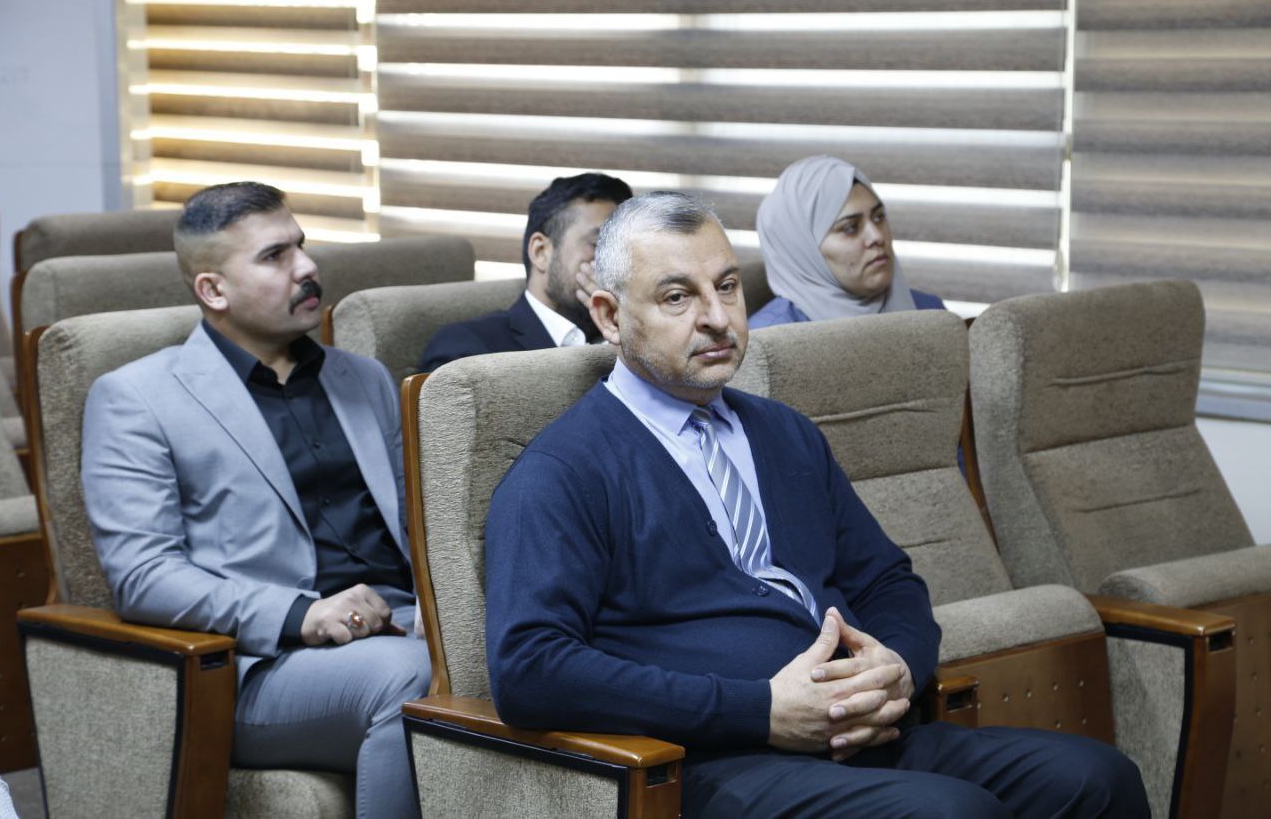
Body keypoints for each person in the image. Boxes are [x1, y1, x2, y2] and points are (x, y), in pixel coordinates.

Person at [484, 191, 1148, 817]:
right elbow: (529, 668)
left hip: (860, 734)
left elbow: (888, 581)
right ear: (609, 316)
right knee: (952, 813)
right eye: (677, 297)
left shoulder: (784, 432)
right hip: (715, 760)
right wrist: (759, 709)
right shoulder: (563, 470)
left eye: (726, 286)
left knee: (1097, 777)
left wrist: (898, 667)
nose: (717, 317)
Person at [82, 182, 430, 819]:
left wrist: (445, 611)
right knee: (413, 677)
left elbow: (419, 528)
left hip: (402, 625)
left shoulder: (365, 378)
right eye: (274, 256)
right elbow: (143, 576)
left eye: (301, 246)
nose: (307, 267)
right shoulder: (137, 397)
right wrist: (302, 613)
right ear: (213, 290)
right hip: (263, 666)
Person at [418, 172, 632, 372]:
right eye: (598, 245)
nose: (616, 263)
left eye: (625, 251)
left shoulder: (630, 339)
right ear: (541, 252)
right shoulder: (467, 350)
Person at [751, 154, 944, 330]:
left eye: (878, 217)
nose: (877, 236)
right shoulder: (770, 341)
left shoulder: (930, 313)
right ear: (805, 251)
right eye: (850, 228)